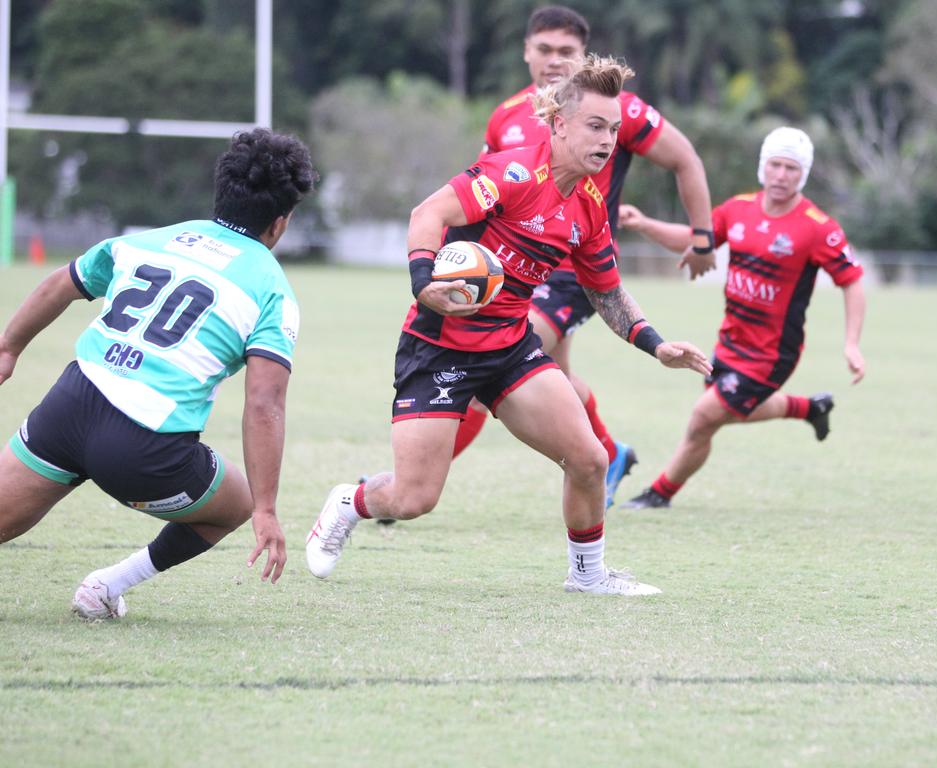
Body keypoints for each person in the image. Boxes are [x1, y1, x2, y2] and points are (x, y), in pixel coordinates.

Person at [306, 55, 711, 596]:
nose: (608, 140)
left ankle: (588, 576)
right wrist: (424, 281)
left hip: (510, 349)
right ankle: (347, 503)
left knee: (590, 458)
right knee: (413, 499)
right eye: (595, 126)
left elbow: (606, 291)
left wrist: (656, 346)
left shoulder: (589, 208)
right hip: (439, 347)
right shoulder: (512, 172)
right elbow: (428, 214)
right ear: (559, 124)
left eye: (614, 130)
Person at [0, 129, 317, 618]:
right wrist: (267, 510)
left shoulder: (152, 240)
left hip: (71, 401)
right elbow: (263, 403)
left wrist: (9, 347)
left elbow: (62, 283)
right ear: (280, 223)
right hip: (146, 447)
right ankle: (107, 587)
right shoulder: (273, 290)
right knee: (237, 504)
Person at [453, 5, 714, 508]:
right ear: (527, 52)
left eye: (567, 52)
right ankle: (610, 453)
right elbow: (483, 194)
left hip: (576, 272)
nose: (555, 61)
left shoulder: (623, 112)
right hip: (513, 270)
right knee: (554, 373)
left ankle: (409, 481)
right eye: (545, 50)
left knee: (490, 368)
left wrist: (701, 240)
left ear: (584, 56)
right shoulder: (506, 115)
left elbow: (686, 159)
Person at [617, 126, 866, 509]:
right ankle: (809, 407)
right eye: (775, 165)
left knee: (704, 417)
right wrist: (643, 223)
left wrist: (851, 343)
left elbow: (852, 281)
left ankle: (659, 494)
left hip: (771, 352)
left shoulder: (818, 228)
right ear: (762, 167)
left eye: (792, 169)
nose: (781, 175)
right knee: (721, 415)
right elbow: (695, 240)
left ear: (804, 174)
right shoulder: (738, 209)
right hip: (731, 339)